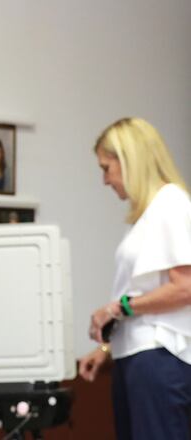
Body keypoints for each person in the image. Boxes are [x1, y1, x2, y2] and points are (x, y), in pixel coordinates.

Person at [78, 117, 191, 440]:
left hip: (159, 360)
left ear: (129, 160)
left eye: (106, 167)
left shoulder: (171, 204)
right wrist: (106, 349)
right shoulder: (148, 214)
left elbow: (185, 289)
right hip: (139, 358)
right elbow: (145, 293)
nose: (105, 180)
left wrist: (116, 309)